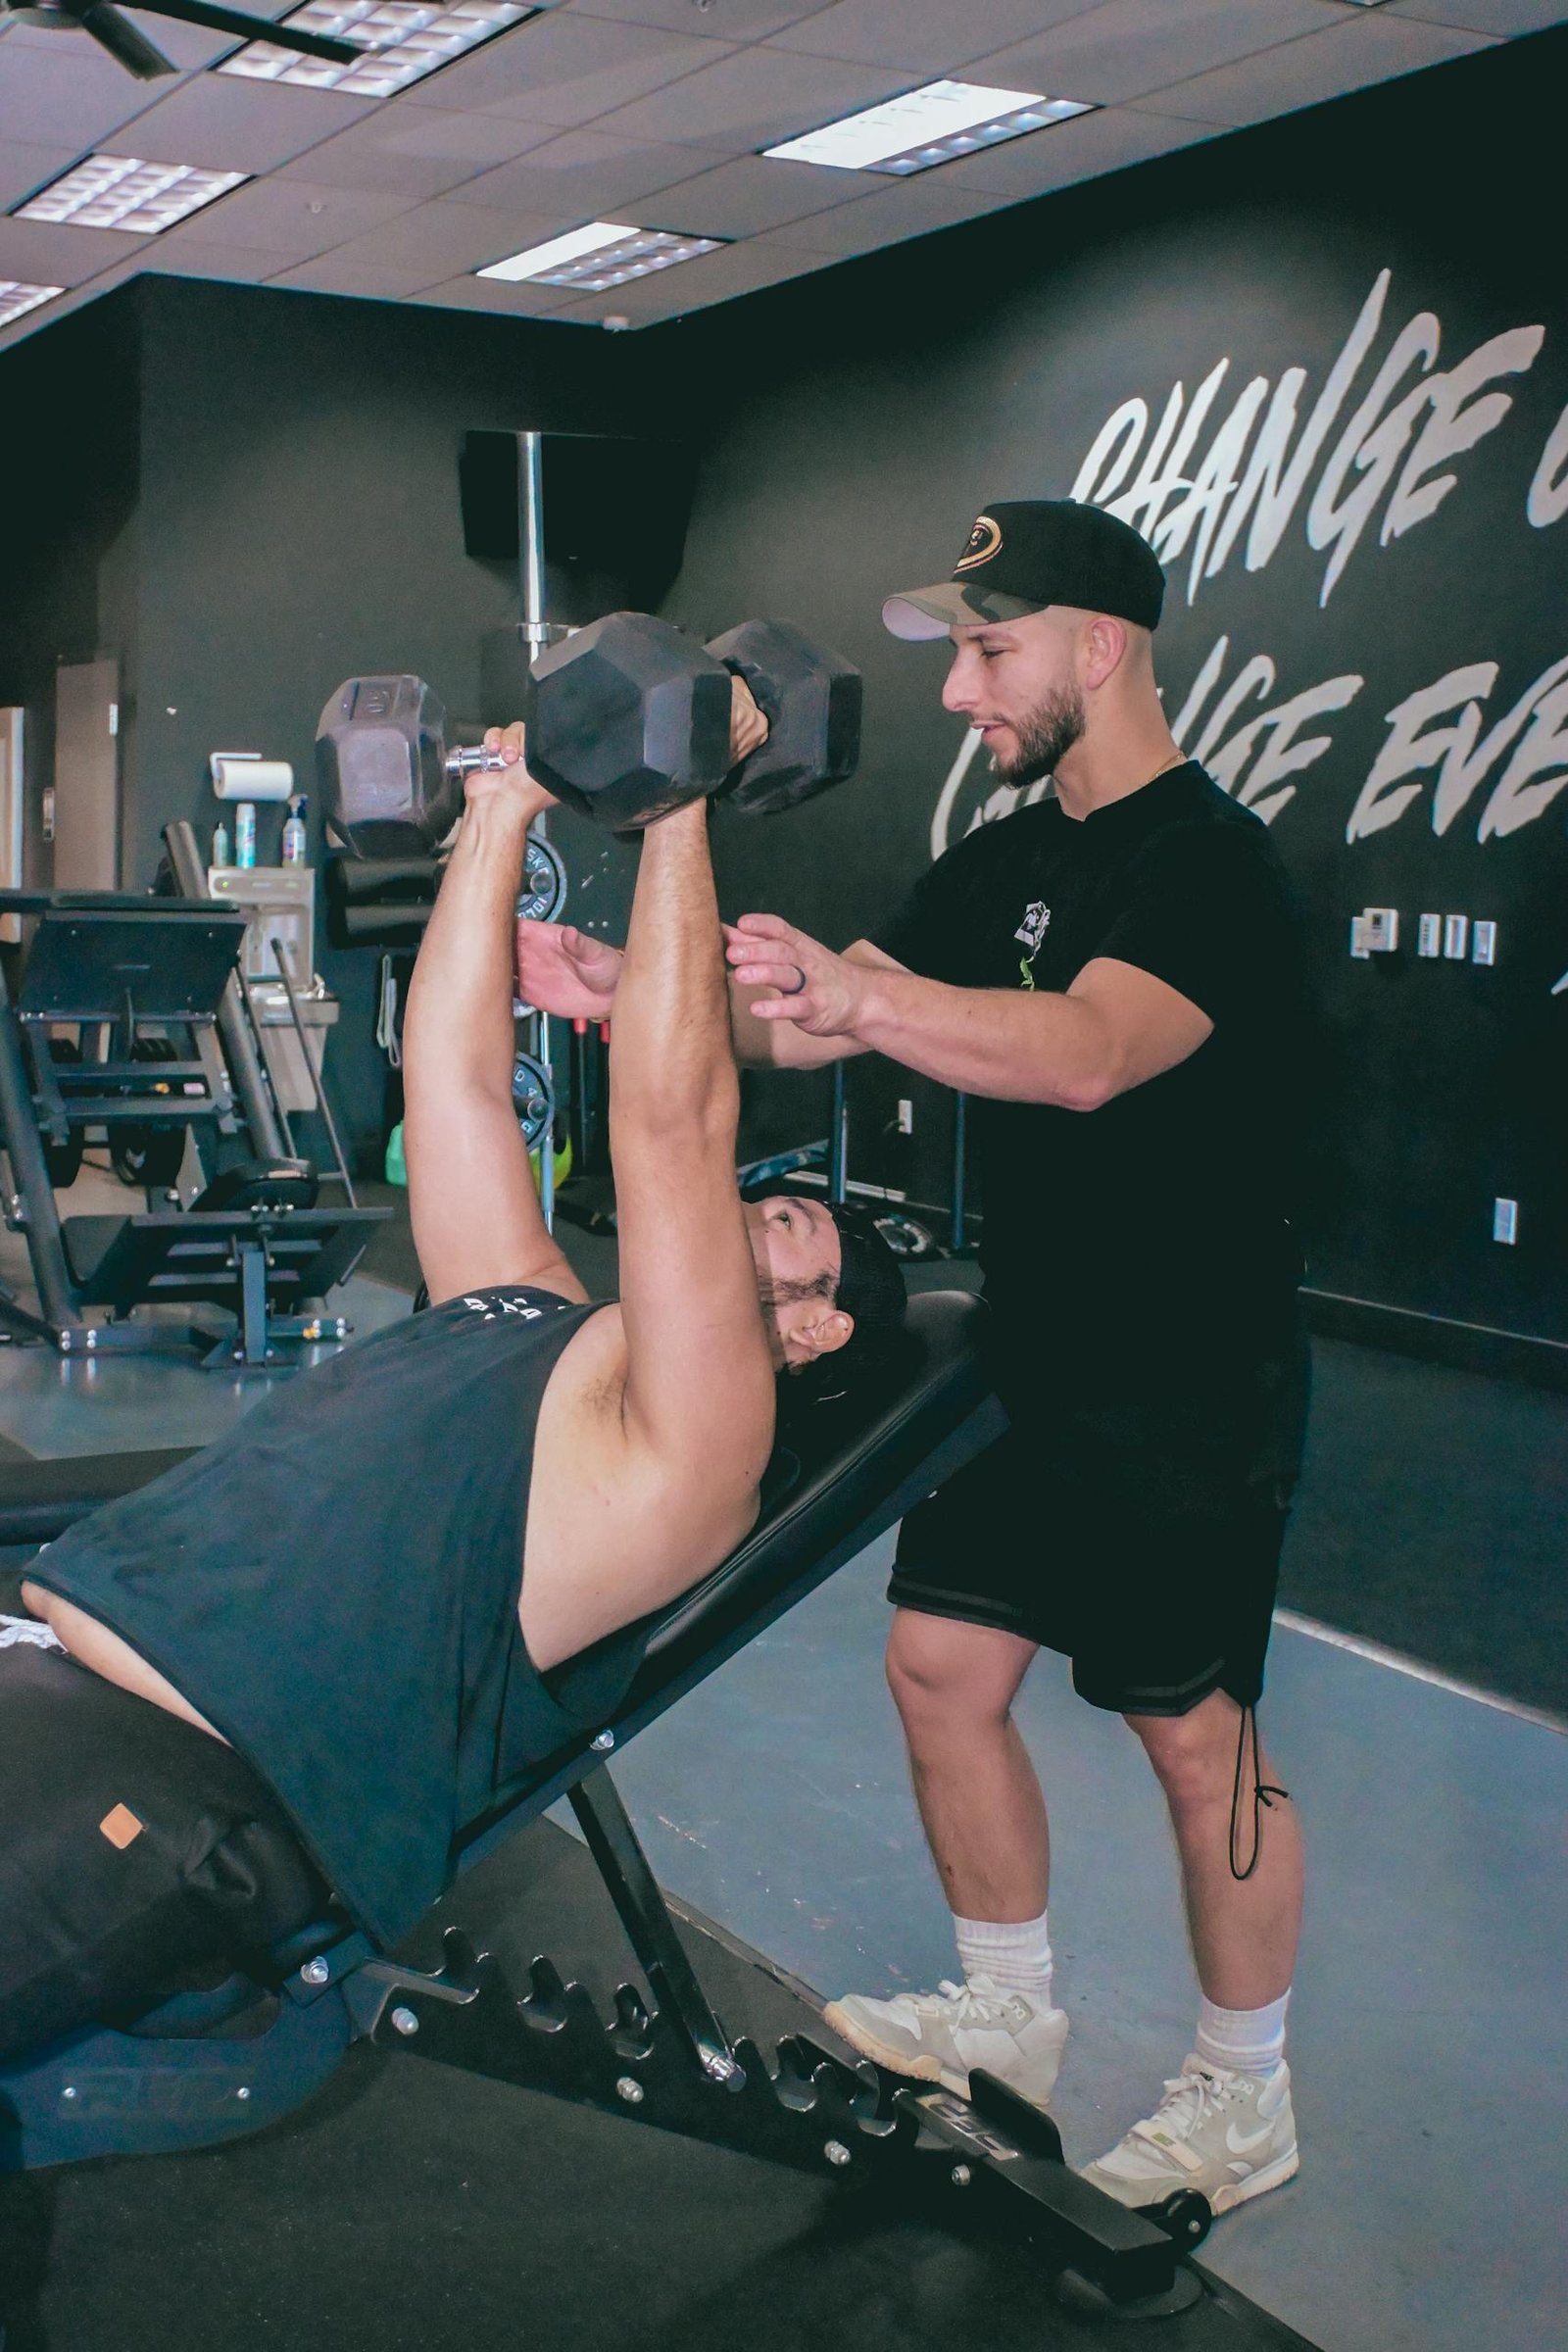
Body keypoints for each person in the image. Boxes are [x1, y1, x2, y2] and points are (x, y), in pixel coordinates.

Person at [513, 500, 1316, 2222]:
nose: (963, 689)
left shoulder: (1207, 867)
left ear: (1098, 647)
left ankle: (1245, 2096)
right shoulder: (1009, 857)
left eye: (989, 648)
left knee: (1197, 1737)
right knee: (943, 1666)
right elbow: (827, 997)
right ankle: (1007, 2015)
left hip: (1189, 1371)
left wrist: (870, 1008)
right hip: (1032, 1347)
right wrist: (620, 992)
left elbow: (1094, 1052)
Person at [0, 695, 906, 2067]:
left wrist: (678, 802)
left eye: (792, 1228)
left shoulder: (699, 1442)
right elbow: (457, 1084)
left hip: (176, 1782)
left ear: (819, 1330)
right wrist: (496, 815)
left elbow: (673, 1119)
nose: (753, 1212)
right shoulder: (526, 1306)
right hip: (52, 1670)